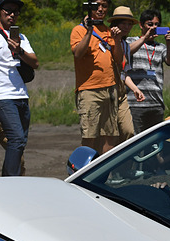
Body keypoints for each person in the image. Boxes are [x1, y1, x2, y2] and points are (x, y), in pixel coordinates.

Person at [0, 0, 39, 176]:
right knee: (16, 139)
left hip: (21, 95)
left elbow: (35, 63)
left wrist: (19, 51)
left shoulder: (21, 38)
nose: (12, 15)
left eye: (16, 12)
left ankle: (12, 179)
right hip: (2, 95)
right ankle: (9, 180)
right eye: (8, 11)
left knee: (20, 141)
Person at [70, 0, 123, 154]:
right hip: (89, 90)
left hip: (110, 89)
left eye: (104, 6)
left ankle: (105, 168)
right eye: (96, 6)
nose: (100, 9)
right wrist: (89, 32)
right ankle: (87, 167)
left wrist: (117, 40)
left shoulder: (108, 31)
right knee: (89, 136)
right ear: (89, 7)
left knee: (110, 134)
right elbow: (78, 54)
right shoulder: (78, 30)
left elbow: (119, 60)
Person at [126, 9, 170, 134]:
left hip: (156, 102)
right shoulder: (131, 41)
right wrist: (144, 38)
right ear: (141, 25)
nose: (153, 27)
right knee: (135, 139)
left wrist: (169, 43)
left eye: (157, 25)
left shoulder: (161, 47)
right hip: (135, 103)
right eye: (150, 24)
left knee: (154, 140)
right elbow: (126, 52)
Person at [108, 6, 144, 143]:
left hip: (121, 91)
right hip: (108, 90)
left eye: (129, 24)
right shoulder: (106, 40)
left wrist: (135, 89)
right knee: (110, 133)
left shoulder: (125, 44)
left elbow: (124, 72)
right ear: (115, 24)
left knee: (128, 131)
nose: (127, 27)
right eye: (123, 23)